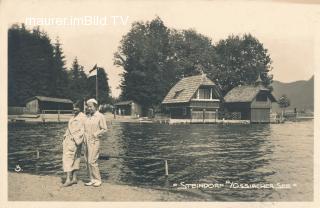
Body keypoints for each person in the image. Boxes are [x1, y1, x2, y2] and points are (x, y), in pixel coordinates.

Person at [83, 98, 108, 187]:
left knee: (92, 161)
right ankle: (91, 179)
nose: (89, 108)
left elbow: (104, 129)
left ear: (95, 106)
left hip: (94, 141)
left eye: (90, 106)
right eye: (88, 107)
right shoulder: (87, 116)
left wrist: (95, 134)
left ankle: (98, 179)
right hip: (86, 141)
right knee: (86, 161)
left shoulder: (100, 116)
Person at [62, 104, 86, 187]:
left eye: (76, 107)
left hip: (74, 141)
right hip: (70, 140)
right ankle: (74, 178)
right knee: (75, 158)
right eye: (73, 107)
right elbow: (69, 128)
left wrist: (77, 139)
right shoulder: (73, 117)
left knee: (68, 158)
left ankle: (68, 179)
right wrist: (65, 135)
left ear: (80, 108)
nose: (74, 109)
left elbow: (84, 129)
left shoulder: (83, 117)